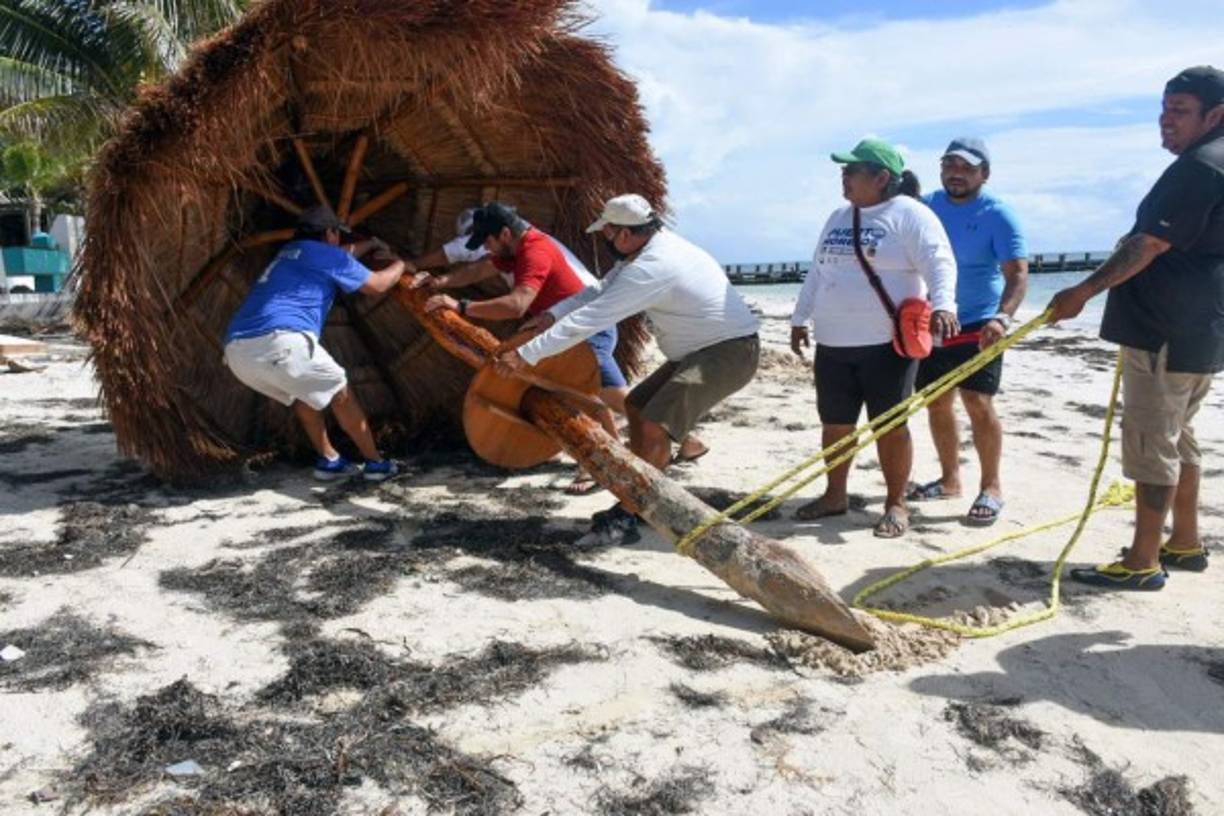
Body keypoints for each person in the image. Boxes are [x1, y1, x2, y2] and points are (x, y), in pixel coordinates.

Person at [495, 194, 761, 546]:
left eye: (606, 233)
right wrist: (551, 315)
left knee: (654, 425)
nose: (604, 240)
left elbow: (592, 319)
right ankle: (647, 491)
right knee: (636, 405)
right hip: (700, 350)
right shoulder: (645, 252)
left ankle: (629, 512)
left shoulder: (651, 267)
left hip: (728, 352)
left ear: (623, 234)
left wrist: (525, 356)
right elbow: (598, 291)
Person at [1048, 65, 1224, 590]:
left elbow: (1148, 244)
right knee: (1178, 438)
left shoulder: (1201, 167)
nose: (1165, 121)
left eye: (1179, 111)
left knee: (1151, 444)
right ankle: (1185, 543)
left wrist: (1080, 292)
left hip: (1165, 333)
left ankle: (1142, 560)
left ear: (1215, 115)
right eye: (1164, 109)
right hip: (1201, 330)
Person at [790, 137, 958, 538]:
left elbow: (939, 263)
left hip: (886, 345)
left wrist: (944, 305)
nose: (844, 177)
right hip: (833, 344)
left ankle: (896, 504)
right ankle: (835, 496)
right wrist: (800, 317)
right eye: (843, 171)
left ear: (882, 177)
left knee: (890, 426)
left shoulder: (910, 215)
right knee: (835, 425)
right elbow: (817, 271)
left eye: (852, 171)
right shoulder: (836, 217)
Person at [410, 202, 629, 493]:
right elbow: (479, 270)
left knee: (587, 394)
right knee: (607, 396)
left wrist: (460, 306)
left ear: (503, 234)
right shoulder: (512, 248)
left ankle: (601, 464)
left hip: (586, 327)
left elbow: (517, 305)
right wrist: (440, 282)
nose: (486, 249)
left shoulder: (534, 251)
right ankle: (675, 441)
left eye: (487, 241)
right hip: (569, 328)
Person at [223, 205, 408, 481]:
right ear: (330, 233)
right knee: (341, 391)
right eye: (338, 235)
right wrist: (401, 264)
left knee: (304, 390)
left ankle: (330, 460)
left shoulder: (289, 254)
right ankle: (376, 463)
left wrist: (368, 244)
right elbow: (377, 285)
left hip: (238, 353)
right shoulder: (323, 254)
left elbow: (340, 257)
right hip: (280, 342)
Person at [908, 137, 1029, 525]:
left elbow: (1018, 274)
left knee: (978, 401)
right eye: (949, 165)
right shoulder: (925, 207)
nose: (956, 173)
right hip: (934, 320)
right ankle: (949, 481)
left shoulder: (999, 214)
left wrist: (1002, 318)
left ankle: (991, 487)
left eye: (966, 167)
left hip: (981, 322)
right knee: (937, 401)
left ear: (984, 174)